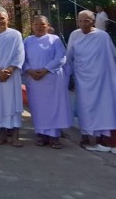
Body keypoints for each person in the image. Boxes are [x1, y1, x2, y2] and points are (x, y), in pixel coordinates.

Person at [68, 10, 116, 151]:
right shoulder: (74, 35)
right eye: (80, 21)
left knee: (103, 107)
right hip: (82, 79)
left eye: (86, 21)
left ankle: (103, 137)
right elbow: (69, 57)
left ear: (93, 22)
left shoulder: (102, 36)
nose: (83, 24)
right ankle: (86, 137)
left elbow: (113, 54)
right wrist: (68, 76)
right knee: (85, 109)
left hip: (101, 80)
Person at [23, 15, 71, 149]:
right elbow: (22, 58)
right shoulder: (27, 41)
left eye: (42, 24)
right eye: (36, 24)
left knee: (54, 107)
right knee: (38, 108)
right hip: (34, 81)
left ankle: (55, 136)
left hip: (52, 79)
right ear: (32, 26)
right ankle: (41, 134)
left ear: (48, 25)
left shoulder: (54, 40)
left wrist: (45, 70)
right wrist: (29, 70)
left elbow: (61, 57)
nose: (39, 27)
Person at [0, 9, 25, 147]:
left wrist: (9, 70)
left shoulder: (15, 35)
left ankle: (15, 136)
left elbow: (19, 54)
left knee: (14, 104)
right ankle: (1, 135)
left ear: (8, 19)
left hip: (12, 76)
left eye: (2, 18)